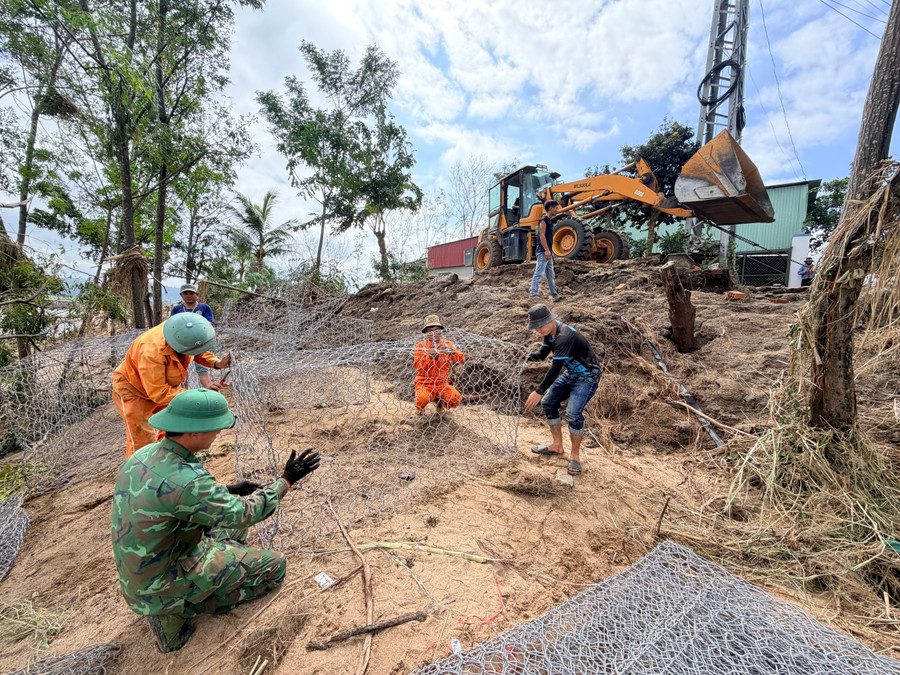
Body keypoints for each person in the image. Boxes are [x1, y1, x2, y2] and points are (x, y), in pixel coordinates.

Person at [111, 388, 321, 653]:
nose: (218, 433)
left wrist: (228, 490)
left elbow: (173, 498)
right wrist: (286, 480)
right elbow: (246, 514)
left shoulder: (144, 454)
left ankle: (194, 585)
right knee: (276, 567)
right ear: (195, 432)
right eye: (215, 428)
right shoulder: (189, 482)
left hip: (143, 569)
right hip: (164, 579)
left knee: (233, 531)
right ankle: (179, 610)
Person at [112, 313, 231, 458]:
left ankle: (169, 460)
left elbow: (196, 349)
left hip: (164, 388)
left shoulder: (182, 332)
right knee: (142, 440)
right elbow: (159, 393)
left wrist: (217, 363)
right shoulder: (151, 352)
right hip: (134, 390)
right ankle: (143, 473)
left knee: (174, 427)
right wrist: (198, 394)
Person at [523, 304, 601, 476]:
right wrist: (522, 355)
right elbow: (542, 356)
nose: (538, 329)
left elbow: (555, 367)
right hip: (571, 374)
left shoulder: (564, 335)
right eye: (535, 327)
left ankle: (575, 456)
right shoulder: (549, 335)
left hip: (587, 377)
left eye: (541, 325)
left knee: (573, 414)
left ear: (551, 320)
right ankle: (557, 446)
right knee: (549, 403)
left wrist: (538, 391)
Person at [413, 314, 465, 416]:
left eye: (437, 330)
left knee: (455, 398)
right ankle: (420, 409)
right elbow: (418, 367)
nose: (434, 333)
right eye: (431, 330)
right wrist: (429, 357)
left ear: (440, 331)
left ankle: (439, 403)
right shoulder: (420, 346)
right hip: (425, 382)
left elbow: (462, 359)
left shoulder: (447, 344)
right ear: (426, 332)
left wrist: (453, 352)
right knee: (421, 399)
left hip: (442, 382)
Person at [171, 283, 216, 389]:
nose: (188, 295)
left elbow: (210, 324)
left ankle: (210, 391)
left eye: (191, 293)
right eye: (185, 293)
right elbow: (172, 325)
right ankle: (184, 393)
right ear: (181, 295)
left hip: (199, 343)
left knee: (202, 368)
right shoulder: (177, 309)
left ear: (196, 294)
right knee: (182, 369)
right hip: (182, 344)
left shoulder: (204, 308)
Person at [530, 200, 561, 302]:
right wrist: (547, 250)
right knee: (539, 273)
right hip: (543, 252)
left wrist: (550, 252)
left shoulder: (550, 221)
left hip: (547, 252)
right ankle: (533, 295)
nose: (557, 210)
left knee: (550, 274)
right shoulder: (543, 220)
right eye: (556, 208)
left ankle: (555, 295)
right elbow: (541, 235)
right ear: (550, 209)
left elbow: (548, 238)